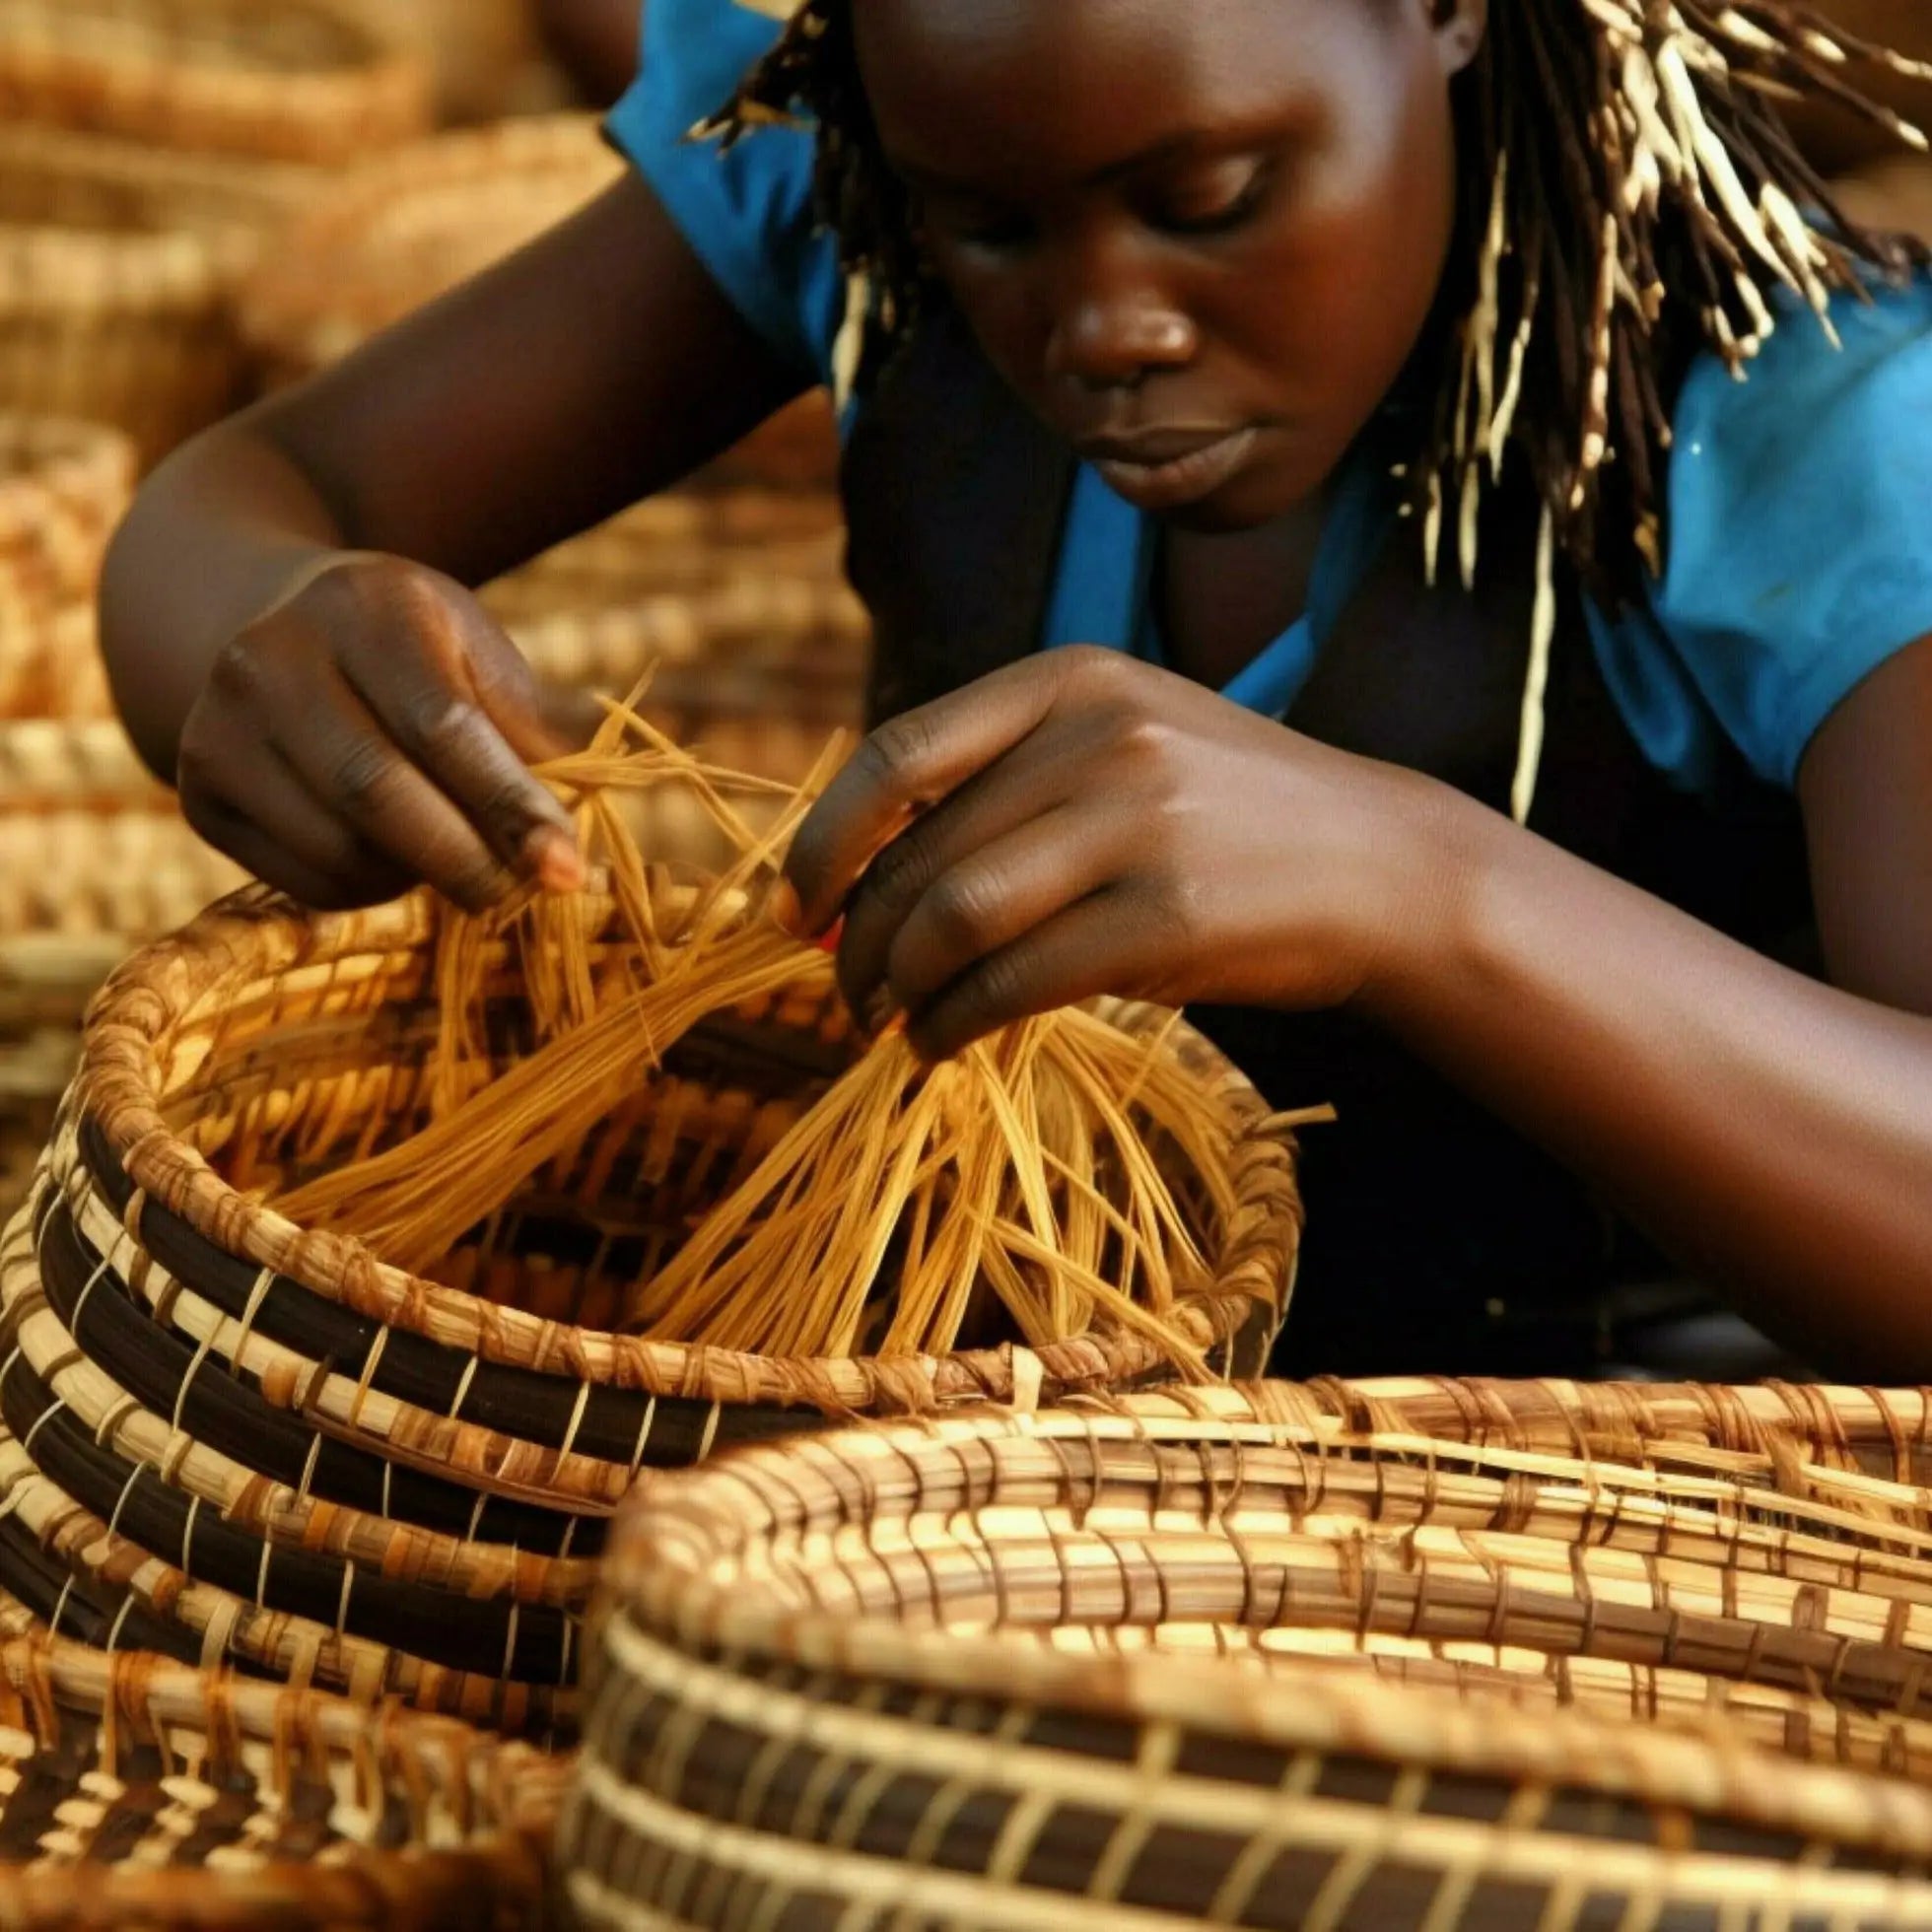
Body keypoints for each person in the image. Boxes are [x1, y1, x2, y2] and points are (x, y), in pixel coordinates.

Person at [100, 0, 1932, 1380]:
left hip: (1578, 1536)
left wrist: (1425, 893)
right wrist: (280, 627)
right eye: (986, 225)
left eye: (1209, 198)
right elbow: (234, 511)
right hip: (961, 1444)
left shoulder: (1809, 434)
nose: (1108, 323)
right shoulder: (845, 172)